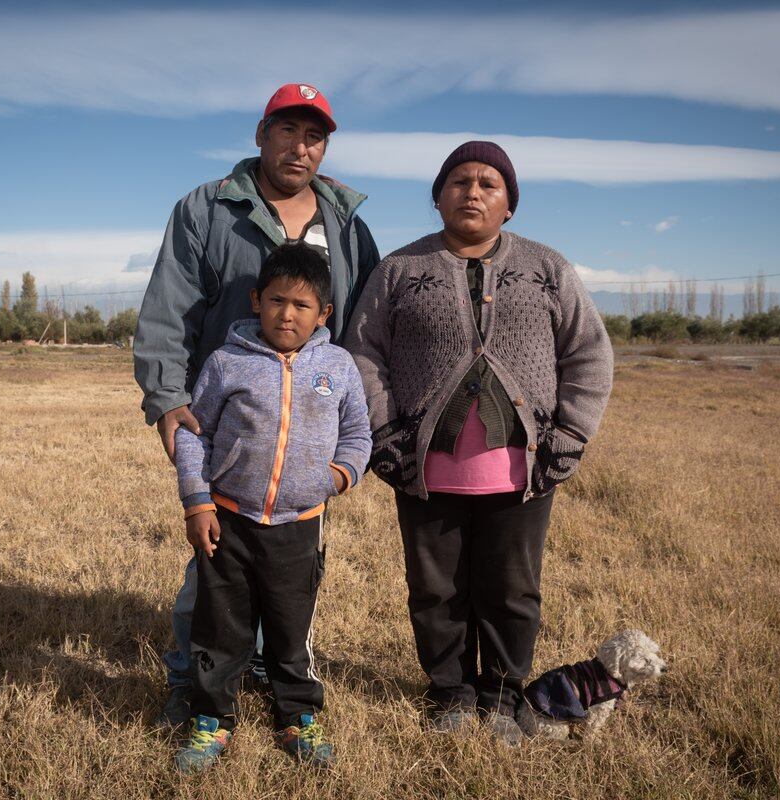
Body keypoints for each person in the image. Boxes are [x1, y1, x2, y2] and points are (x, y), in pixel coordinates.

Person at [343, 141, 614, 746]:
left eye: (489, 184)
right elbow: (364, 352)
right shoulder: (398, 270)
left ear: (509, 205)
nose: (473, 192)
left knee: (512, 588)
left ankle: (502, 692)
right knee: (437, 589)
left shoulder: (548, 268)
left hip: (522, 471)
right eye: (459, 181)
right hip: (425, 468)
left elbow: (589, 353)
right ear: (437, 196)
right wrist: (386, 434)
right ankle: (450, 692)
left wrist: (567, 438)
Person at [132, 83, 380, 728]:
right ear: (262, 133)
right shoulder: (208, 210)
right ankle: (193, 682)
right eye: (288, 131)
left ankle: (273, 674)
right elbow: (169, 307)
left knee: (292, 579)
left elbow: (365, 329)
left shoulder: (347, 226)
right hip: (228, 425)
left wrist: (350, 445)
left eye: (315, 136)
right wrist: (166, 398)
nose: (301, 147)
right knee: (213, 574)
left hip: (306, 443)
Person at [171, 243, 371, 772]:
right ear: (257, 300)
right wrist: (197, 502)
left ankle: (297, 714)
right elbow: (196, 435)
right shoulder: (226, 361)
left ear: (323, 314)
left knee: (290, 626)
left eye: (302, 305)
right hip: (229, 518)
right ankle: (212, 720)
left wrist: (337, 475)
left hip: (299, 525)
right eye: (277, 300)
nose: (287, 314)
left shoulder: (338, 366)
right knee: (220, 625)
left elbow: (357, 434)